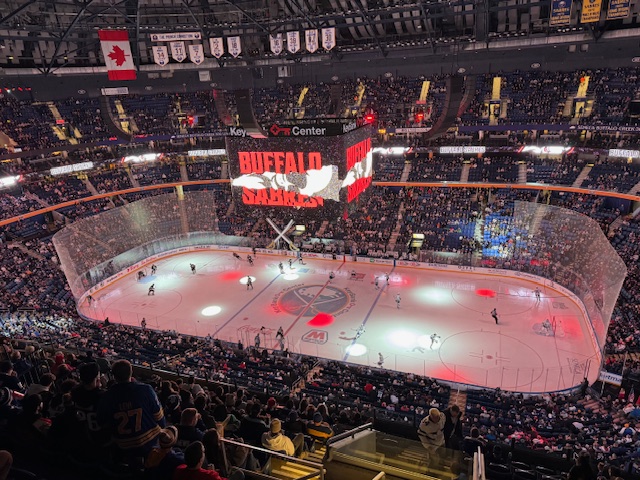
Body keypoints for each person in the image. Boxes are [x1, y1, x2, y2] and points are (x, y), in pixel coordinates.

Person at [97, 360, 166, 455]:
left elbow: (102, 422)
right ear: (131, 372)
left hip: (122, 446)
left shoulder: (106, 396)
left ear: (114, 376)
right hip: (150, 443)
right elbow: (160, 418)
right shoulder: (146, 390)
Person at [174, 441, 243, 480]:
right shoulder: (210, 475)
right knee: (239, 474)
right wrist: (212, 472)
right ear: (200, 460)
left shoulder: (179, 469)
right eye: (203, 452)